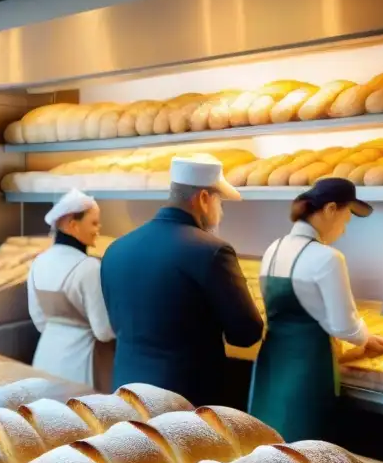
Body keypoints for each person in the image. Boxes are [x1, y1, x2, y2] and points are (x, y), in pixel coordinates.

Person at [101, 155, 264, 406]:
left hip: (125, 393)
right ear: (203, 199)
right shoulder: (211, 251)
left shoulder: (116, 249)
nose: (221, 213)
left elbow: (117, 322)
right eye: (220, 203)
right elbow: (246, 333)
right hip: (183, 401)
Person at [249, 178, 383, 442]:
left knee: (269, 444)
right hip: (308, 368)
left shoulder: (274, 248)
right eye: (346, 217)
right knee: (304, 448)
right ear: (330, 210)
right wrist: (367, 338)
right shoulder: (327, 258)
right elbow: (344, 326)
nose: (345, 229)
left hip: (272, 362)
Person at [28, 189, 114, 390]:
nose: (98, 229)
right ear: (72, 225)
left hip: (45, 358)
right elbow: (103, 332)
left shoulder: (38, 262)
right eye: (93, 223)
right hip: (81, 363)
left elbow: (38, 318)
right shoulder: (89, 267)